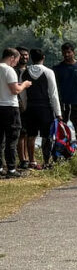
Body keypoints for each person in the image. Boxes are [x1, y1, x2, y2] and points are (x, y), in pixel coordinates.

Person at [20, 49, 61, 168]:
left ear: (31, 58)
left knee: (31, 135)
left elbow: (22, 94)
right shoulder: (48, 72)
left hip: (31, 107)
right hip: (45, 107)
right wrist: (58, 112)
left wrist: (25, 106)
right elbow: (53, 94)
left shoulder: (25, 73)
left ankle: (32, 161)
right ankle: (46, 161)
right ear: (43, 57)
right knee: (46, 136)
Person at [52, 42, 77, 151]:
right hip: (61, 104)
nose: (66, 55)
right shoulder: (57, 69)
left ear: (73, 52)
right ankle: (61, 153)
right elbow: (52, 88)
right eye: (64, 53)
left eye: (69, 52)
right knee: (60, 130)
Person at [1, 48, 33, 177]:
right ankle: (11, 169)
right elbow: (15, 90)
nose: (16, 63)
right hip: (10, 107)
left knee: (0, 139)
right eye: (17, 60)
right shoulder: (9, 70)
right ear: (12, 57)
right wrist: (24, 84)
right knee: (12, 138)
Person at [14, 47, 30, 168]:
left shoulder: (30, 71)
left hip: (29, 106)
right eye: (22, 55)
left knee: (27, 133)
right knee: (20, 133)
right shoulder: (13, 71)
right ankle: (22, 159)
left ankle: (27, 158)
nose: (25, 57)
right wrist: (19, 102)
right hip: (17, 106)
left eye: (26, 55)